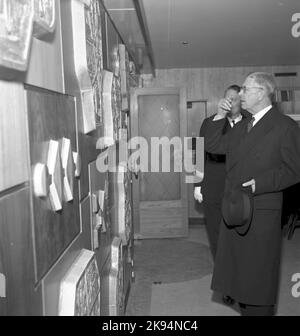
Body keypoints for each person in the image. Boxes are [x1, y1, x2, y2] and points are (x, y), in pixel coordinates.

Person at [204, 72, 300, 316]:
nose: (240, 94)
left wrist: (260, 183)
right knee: (240, 276)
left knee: (258, 278)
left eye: (245, 90)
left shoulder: (284, 126)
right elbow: (213, 145)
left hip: (261, 210)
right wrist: (220, 115)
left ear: (261, 93)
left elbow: (294, 170)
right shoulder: (244, 124)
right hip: (236, 207)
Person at [194, 85, 250, 262]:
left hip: (240, 186)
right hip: (213, 184)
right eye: (227, 98)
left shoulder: (250, 122)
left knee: (240, 230)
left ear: (241, 101)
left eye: (234, 98)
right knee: (215, 231)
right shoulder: (210, 122)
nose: (230, 101)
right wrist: (197, 185)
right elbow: (198, 154)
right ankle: (221, 267)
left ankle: (240, 264)